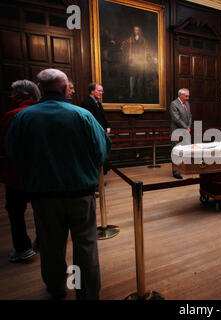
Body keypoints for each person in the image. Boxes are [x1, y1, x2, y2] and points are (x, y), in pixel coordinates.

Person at [5, 68, 111, 300]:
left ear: (42, 88)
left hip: (43, 195)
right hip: (80, 193)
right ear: (64, 88)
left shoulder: (23, 117)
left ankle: (56, 288)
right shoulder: (82, 115)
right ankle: (86, 292)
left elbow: (12, 154)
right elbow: (102, 152)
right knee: (85, 245)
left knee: (51, 245)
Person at [0, 80, 40, 262]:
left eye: (13, 93)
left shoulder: (12, 115)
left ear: (20, 95)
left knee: (16, 212)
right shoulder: (44, 113)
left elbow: (4, 145)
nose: (11, 96)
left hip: (16, 173)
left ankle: (23, 248)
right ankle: (42, 242)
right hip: (42, 172)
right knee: (42, 209)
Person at [121, 26, 150, 99]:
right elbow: (123, 45)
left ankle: (139, 93)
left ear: (139, 31)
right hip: (132, 61)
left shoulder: (143, 40)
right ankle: (132, 93)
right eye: (134, 30)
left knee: (139, 77)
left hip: (140, 61)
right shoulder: (130, 40)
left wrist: (145, 58)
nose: (135, 31)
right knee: (132, 77)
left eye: (137, 30)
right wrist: (127, 55)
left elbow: (146, 49)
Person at [169, 88, 192, 179]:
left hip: (186, 131)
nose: (188, 98)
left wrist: (189, 126)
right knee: (176, 151)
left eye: (188, 96)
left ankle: (183, 169)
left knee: (185, 151)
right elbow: (176, 119)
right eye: (186, 96)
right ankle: (175, 171)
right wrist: (186, 127)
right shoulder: (174, 104)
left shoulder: (187, 103)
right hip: (176, 131)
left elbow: (190, 115)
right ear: (180, 95)